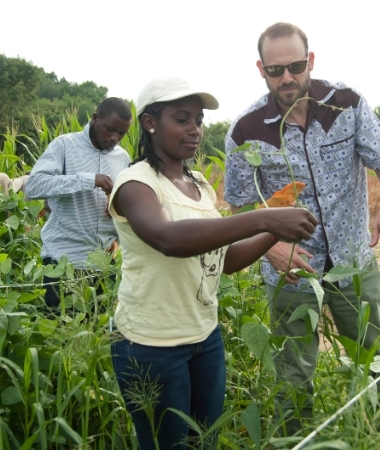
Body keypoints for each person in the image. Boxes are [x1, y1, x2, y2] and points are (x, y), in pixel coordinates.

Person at [109, 76, 318, 450]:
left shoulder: (201, 185)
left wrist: (277, 221)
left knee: (205, 442)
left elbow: (225, 261)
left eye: (199, 120)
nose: (195, 130)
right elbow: (167, 239)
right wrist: (264, 218)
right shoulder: (134, 184)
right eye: (182, 119)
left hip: (204, 339)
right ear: (149, 122)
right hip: (152, 345)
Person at [224, 22, 380, 434]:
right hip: (291, 270)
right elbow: (238, 207)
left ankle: (377, 433)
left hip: (352, 263)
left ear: (310, 61)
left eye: (294, 66)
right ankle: (296, 441)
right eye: (275, 70)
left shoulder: (346, 104)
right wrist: (270, 249)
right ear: (261, 69)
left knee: (373, 357)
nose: (287, 77)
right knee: (293, 374)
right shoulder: (246, 131)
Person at [26, 98, 132, 313]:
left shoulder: (122, 158)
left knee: (97, 338)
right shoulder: (64, 145)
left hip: (104, 265)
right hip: (64, 262)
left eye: (121, 134)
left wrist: (118, 208)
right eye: (110, 129)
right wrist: (87, 179)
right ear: (95, 118)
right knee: (60, 335)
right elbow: (34, 186)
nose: (114, 138)